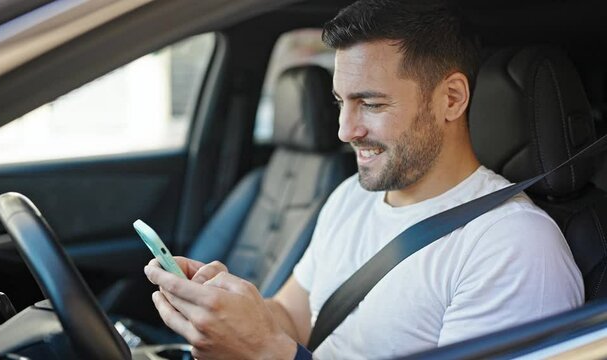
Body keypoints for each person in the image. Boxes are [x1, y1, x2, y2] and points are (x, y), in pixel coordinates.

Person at [143, 0, 584, 358]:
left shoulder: (512, 247)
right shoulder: (350, 197)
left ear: (450, 99)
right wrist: (235, 310)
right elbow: (295, 319)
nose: (344, 130)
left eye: (370, 104)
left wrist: (264, 353)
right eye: (341, 102)